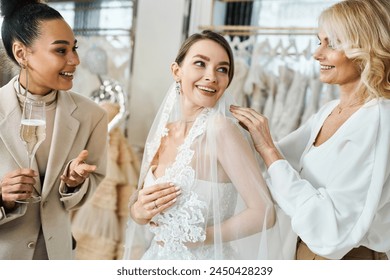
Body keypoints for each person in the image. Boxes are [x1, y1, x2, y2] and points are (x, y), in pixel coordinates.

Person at [230, 0, 390, 260]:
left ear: (365, 49)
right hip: (304, 250)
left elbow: (332, 231)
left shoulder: (379, 120)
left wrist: (268, 149)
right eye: (320, 41)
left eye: (333, 44)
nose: (317, 54)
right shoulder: (328, 111)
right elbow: (270, 168)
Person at [123, 30, 277, 260]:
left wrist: (204, 237)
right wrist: (138, 212)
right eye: (200, 64)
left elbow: (264, 212)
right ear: (177, 71)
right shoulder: (164, 132)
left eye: (222, 69)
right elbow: (142, 207)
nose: (211, 76)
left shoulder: (221, 130)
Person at [0, 0, 108, 259]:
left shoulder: (92, 116)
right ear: (22, 53)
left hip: (56, 255)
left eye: (74, 48)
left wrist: (73, 185)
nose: (75, 60)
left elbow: (89, 187)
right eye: (61, 50)